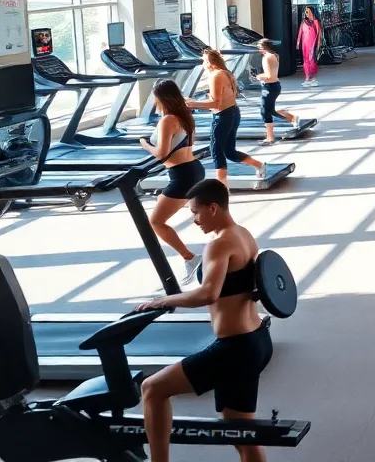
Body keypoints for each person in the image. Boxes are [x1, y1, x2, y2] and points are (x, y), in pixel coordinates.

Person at [137, 179, 274, 462]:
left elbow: (208, 294)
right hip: (257, 339)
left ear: (213, 208)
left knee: (152, 389)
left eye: (195, 213)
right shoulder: (244, 235)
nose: (195, 220)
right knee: (242, 434)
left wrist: (164, 300)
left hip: (235, 348)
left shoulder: (219, 243)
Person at [140, 79, 206, 284]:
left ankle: (191, 258)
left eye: (156, 98)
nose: (155, 101)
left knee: (156, 222)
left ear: (162, 98)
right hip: (193, 169)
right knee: (202, 215)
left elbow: (161, 154)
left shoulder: (168, 120)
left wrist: (144, 144)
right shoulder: (185, 116)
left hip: (182, 176)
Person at [188, 49, 268, 186]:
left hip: (223, 116)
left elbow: (215, 103)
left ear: (209, 62)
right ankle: (259, 165)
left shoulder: (215, 76)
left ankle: (222, 188)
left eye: (204, 61)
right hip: (233, 112)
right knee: (229, 152)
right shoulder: (226, 72)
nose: (202, 64)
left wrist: (190, 104)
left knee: (216, 151)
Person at [255, 39, 302, 145]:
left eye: (259, 47)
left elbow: (269, 76)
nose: (258, 49)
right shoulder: (274, 55)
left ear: (264, 47)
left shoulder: (267, 57)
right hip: (274, 86)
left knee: (265, 112)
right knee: (269, 110)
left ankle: (270, 137)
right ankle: (292, 118)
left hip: (270, 86)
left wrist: (259, 76)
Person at [296, 5, 322, 87]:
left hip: (312, 45)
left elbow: (319, 34)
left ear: (312, 12)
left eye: (308, 11)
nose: (306, 13)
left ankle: (311, 77)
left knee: (312, 61)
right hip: (305, 44)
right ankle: (308, 77)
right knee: (306, 61)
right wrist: (298, 43)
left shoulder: (315, 22)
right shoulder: (304, 22)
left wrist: (318, 45)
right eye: (305, 11)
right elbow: (300, 32)